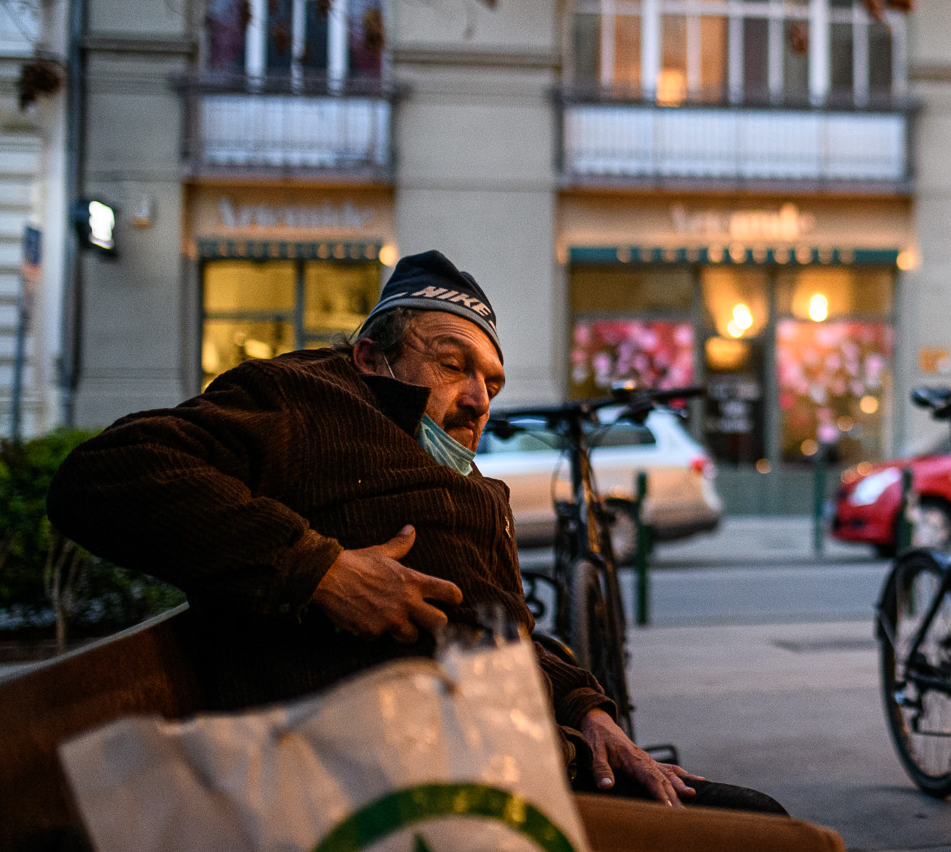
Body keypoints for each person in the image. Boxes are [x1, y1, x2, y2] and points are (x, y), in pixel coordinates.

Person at [47, 250, 781, 815]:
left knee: (766, 830)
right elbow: (107, 474)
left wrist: (584, 704)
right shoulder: (305, 399)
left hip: (511, 761)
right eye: (452, 363)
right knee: (764, 846)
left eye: (491, 381)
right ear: (374, 357)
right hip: (392, 794)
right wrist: (320, 571)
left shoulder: (466, 482)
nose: (477, 399)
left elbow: (501, 628)